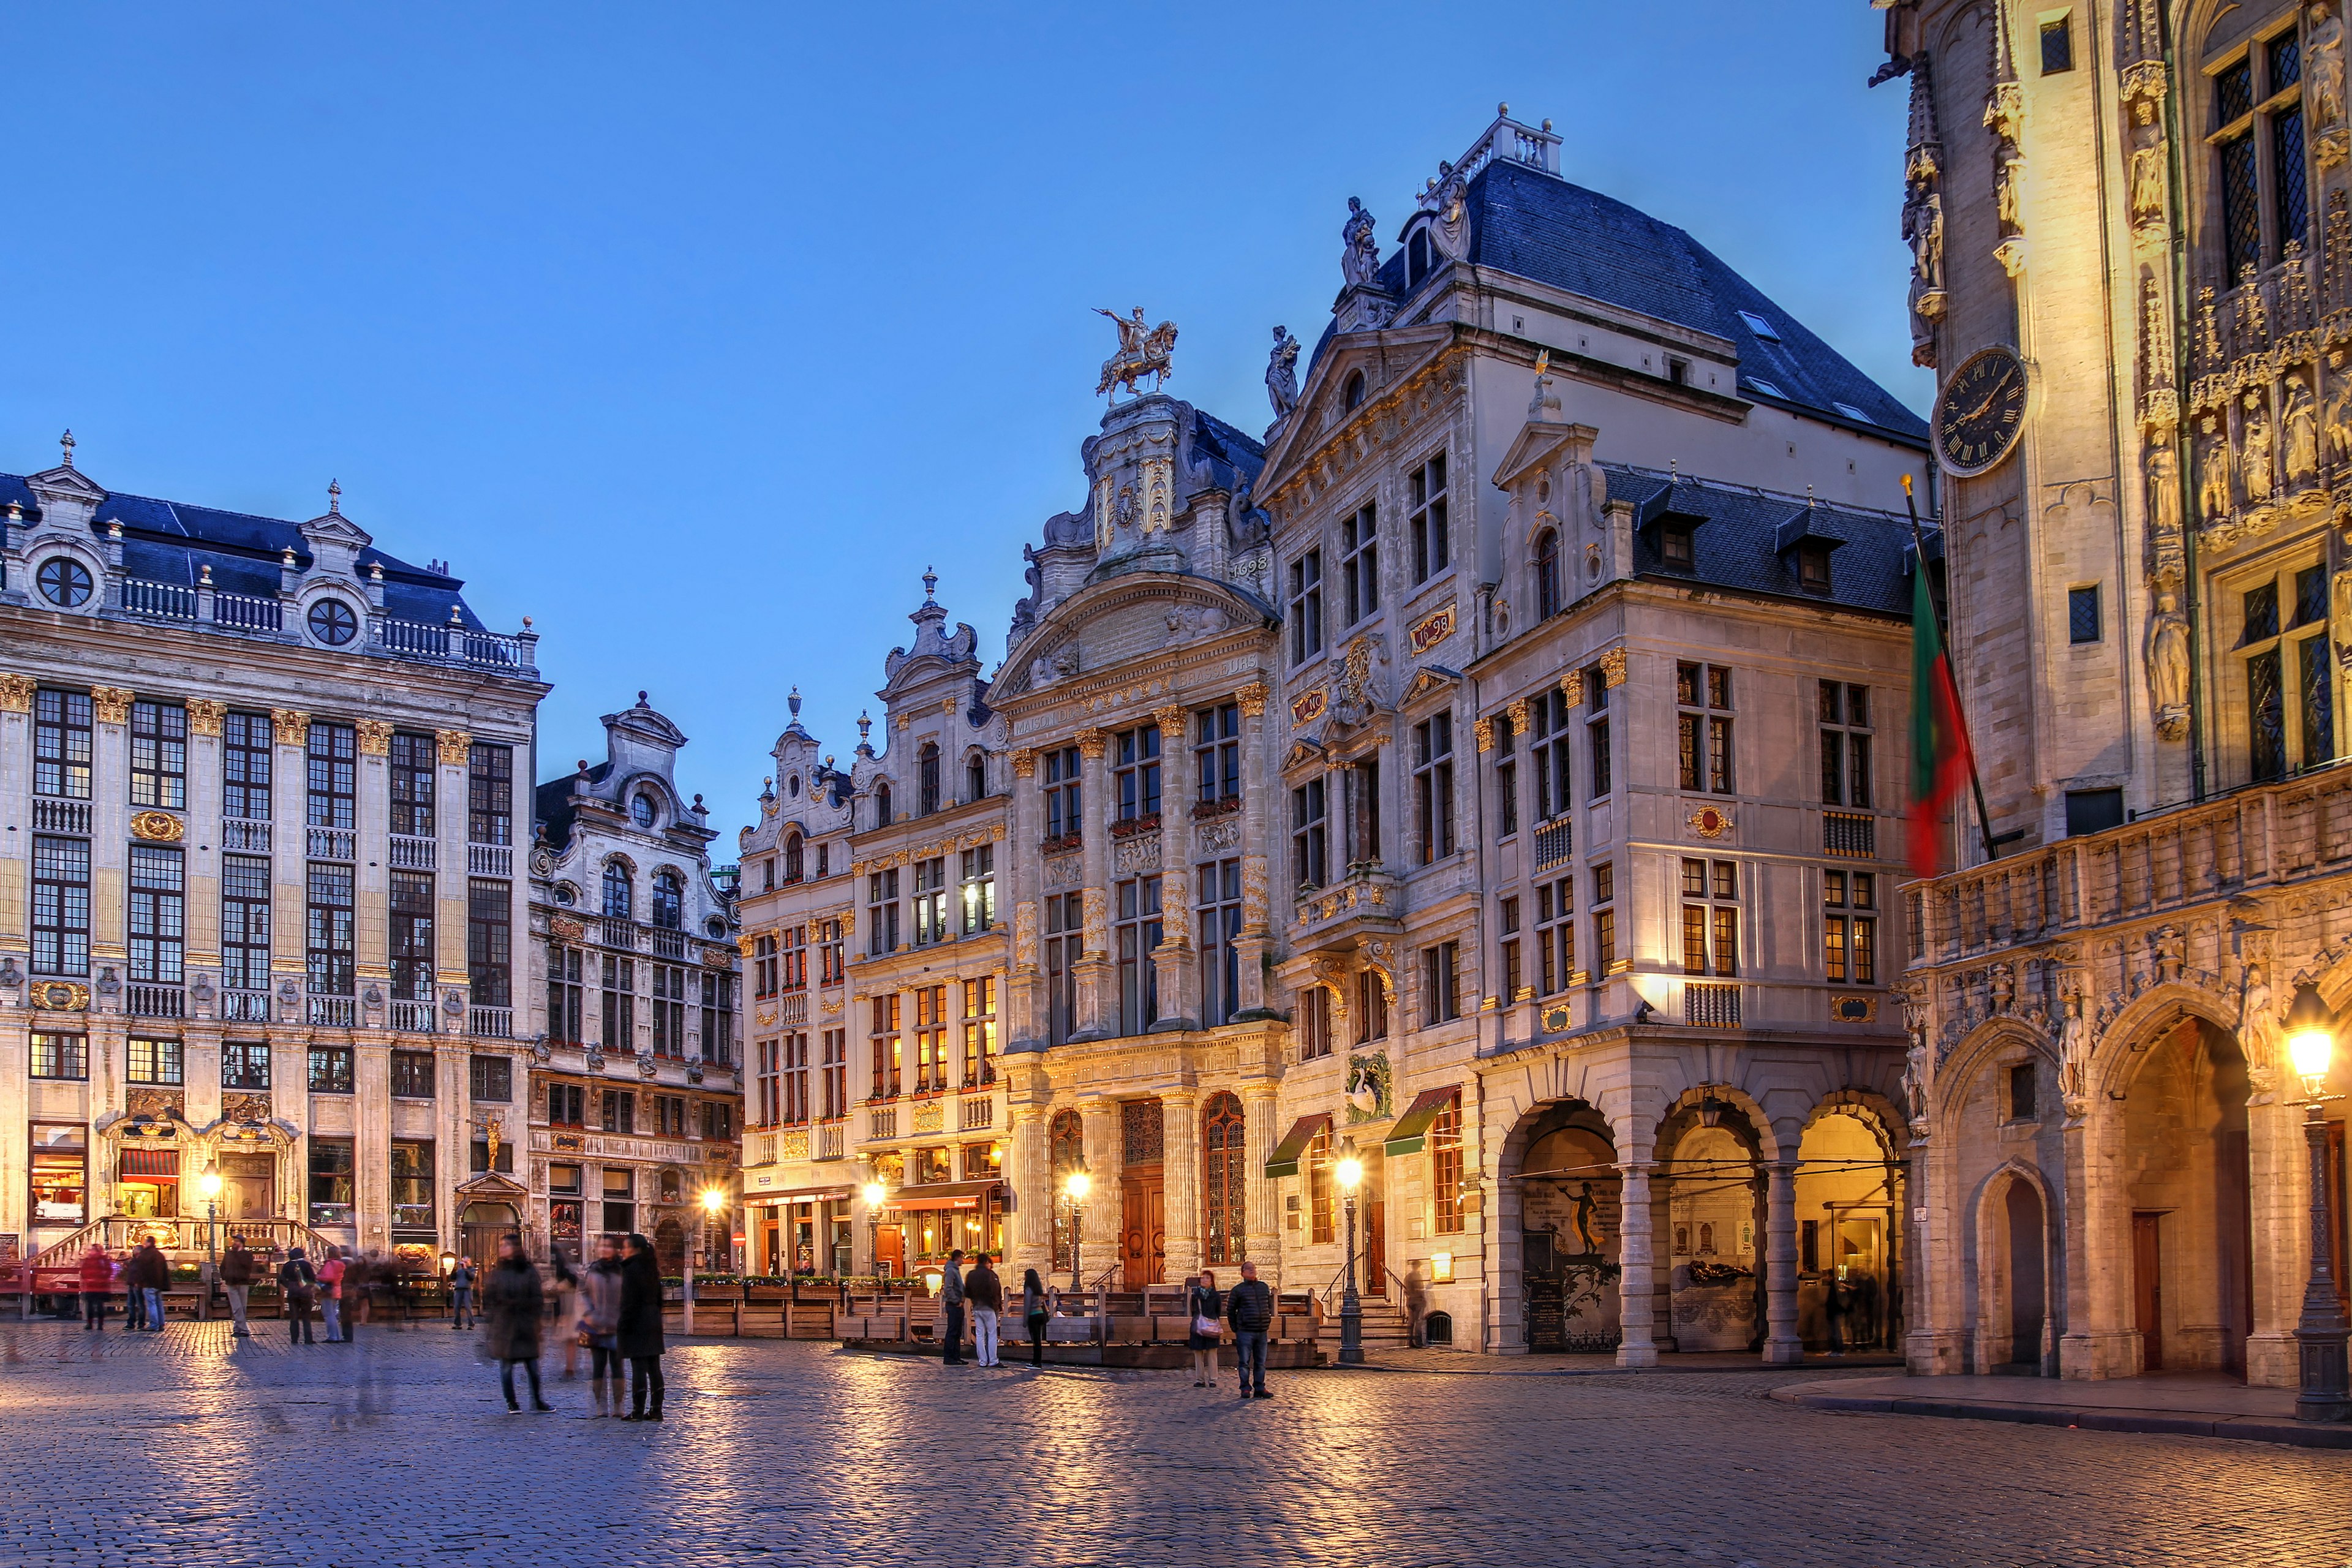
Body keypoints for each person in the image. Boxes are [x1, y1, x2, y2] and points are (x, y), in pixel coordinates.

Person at [483, 1233, 553, 1413]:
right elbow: (489, 1299)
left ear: (515, 1248)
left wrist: (535, 1317)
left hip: (525, 1325)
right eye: (501, 1246)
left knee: (533, 1367)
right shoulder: (497, 1273)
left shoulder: (528, 1271)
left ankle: (538, 1401)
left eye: (505, 1246)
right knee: (506, 1368)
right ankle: (511, 1402)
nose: (502, 1249)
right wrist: (491, 1322)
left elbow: (537, 1298)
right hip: (505, 1326)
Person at [617, 1233, 666, 1422]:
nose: (623, 1251)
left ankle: (638, 1411)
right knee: (654, 1367)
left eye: (625, 1247)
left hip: (637, 1320)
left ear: (634, 1249)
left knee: (638, 1365)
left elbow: (629, 1300)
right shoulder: (652, 1267)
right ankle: (656, 1410)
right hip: (652, 1320)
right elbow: (659, 1298)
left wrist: (623, 1324)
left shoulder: (631, 1269)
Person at [580, 1236, 625, 1417]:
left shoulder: (622, 1270)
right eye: (602, 1246)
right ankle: (600, 1405)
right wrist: (589, 1313)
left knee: (617, 1366)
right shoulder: (593, 1271)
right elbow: (584, 1294)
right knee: (598, 1366)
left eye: (608, 1246)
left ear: (615, 1249)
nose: (605, 1249)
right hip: (595, 1325)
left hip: (617, 1325)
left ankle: (618, 1406)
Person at [1225, 1259, 1275, 1400]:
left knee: (1261, 1362)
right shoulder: (1238, 1290)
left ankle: (1260, 1387)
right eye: (1248, 1269)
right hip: (1245, 1331)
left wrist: (1267, 1320)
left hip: (1261, 1331)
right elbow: (1230, 1310)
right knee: (1244, 1362)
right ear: (1243, 1273)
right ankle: (1245, 1388)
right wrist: (1235, 1328)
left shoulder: (1263, 1287)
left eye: (1253, 1268)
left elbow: (1268, 1305)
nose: (1252, 1270)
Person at [964, 1252, 1003, 1368]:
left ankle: (982, 1361)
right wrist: (996, 1304)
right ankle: (993, 1360)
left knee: (980, 1334)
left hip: (977, 1307)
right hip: (989, 1306)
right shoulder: (990, 1275)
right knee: (992, 1333)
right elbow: (995, 1290)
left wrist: (975, 1300)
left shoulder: (971, 1274)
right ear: (986, 1262)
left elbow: (967, 1292)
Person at [1188, 1270, 1224, 1389]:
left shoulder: (1216, 1295)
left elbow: (1218, 1311)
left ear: (1212, 1281)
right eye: (1203, 1278)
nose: (1205, 1280)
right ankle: (1200, 1379)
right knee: (1198, 1353)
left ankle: (1213, 1379)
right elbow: (1193, 1310)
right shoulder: (1195, 1295)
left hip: (1212, 1325)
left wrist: (1212, 1322)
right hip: (1198, 1326)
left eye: (1207, 1278)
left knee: (1212, 1353)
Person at [550, 1247, 582, 1379]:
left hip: (568, 1311)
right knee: (569, 1340)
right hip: (567, 1311)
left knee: (569, 1340)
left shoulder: (566, 1275)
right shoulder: (569, 1273)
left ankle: (570, 1367)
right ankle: (569, 1366)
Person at [280, 1246, 318, 1346]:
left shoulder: (287, 1265)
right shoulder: (306, 1265)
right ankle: (308, 1339)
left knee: (294, 1317)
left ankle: (294, 1339)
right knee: (306, 1317)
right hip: (305, 1293)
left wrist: (289, 1286)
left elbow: (282, 1279)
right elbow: (312, 1279)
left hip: (292, 1292)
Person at [129, 1239, 168, 1333]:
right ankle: (161, 1323)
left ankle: (154, 1324)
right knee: (159, 1304)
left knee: (152, 1305)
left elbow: (142, 1270)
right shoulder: (159, 1254)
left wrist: (139, 1281)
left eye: (145, 1243)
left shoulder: (147, 1255)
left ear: (149, 1243)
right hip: (158, 1283)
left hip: (149, 1283)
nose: (144, 1244)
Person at [219, 1237, 255, 1337]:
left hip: (243, 1282)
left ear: (242, 1243)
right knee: (236, 1307)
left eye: (237, 1241)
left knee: (242, 1307)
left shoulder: (247, 1255)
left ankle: (238, 1329)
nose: (235, 1243)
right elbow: (223, 1267)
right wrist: (225, 1276)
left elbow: (248, 1266)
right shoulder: (229, 1254)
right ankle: (244, 1329)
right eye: (234, 1241)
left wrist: (239, 1254)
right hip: (231, 1282)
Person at [938, 1248, 967, 1367]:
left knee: (957, 1331)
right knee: (952, 1331)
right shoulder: (950, 1270)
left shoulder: (955, 1270)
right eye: (962, 1258)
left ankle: (956, 1356)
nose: (963, 1261)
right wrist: (956, 1301)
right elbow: (948, 1288)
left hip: (958, 1304)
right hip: (954, 1305)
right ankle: (949, 1357)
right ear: (957, 1258)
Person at [1021, 1268, 1054, 1367]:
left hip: (1033, 1315)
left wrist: (1025, 1320)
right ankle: (1037, 1361)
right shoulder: (1038, 1289)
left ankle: (1036, 1362)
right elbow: (1043, 1302)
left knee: (1035, 1341)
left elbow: (1027, 1305)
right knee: (1038, 1340)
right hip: (1040, 1314)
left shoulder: (1029, 1289)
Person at [78, 1244, 113, 1332]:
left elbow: (83, 1272)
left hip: (93, 1286)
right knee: (99, 1306)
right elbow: (109, 1271)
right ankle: (100, 1325)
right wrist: (103, 1279)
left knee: (91, 1306)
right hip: (101, 1286)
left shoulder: (90, 1260)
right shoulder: (104, 1259)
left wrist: (88, 1279)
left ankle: (90, 1324)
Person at [317, 1245, 346, 1344]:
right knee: (332, 1314)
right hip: (337, 1289)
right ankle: (336, 1335)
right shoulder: (339, 1264)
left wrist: (317, 1276)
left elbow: (328, 1277)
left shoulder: (331, 1264)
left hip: (329, 1291)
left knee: (328, 1314)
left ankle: (333, 1336)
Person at [120, 1248, 146, 1332]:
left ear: (139, 1251)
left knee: (140, 1305)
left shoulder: (143, 1261)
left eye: (134, 1249)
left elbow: (142, 1273)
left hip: (138, 1285)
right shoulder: (134, 1260)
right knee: (130, 1305)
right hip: (132, 1284)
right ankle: (131, 1323)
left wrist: (139, 1282)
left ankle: (141, 1323)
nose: (133, 1250)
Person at [449, 1255, 477, 1330]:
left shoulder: (472, 1270)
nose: (464, 1263)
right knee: (457, 1307)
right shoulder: (459, 1271)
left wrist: (465, 1269)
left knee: (468, 1307)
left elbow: (471, 1277)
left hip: (467, 1290)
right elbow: (452, 1277)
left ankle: (471, 1324)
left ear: (469, 1262)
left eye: (466, 1262)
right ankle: (458, 1324)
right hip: (458, 1289)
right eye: (463, 1262)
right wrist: (455, 1267)